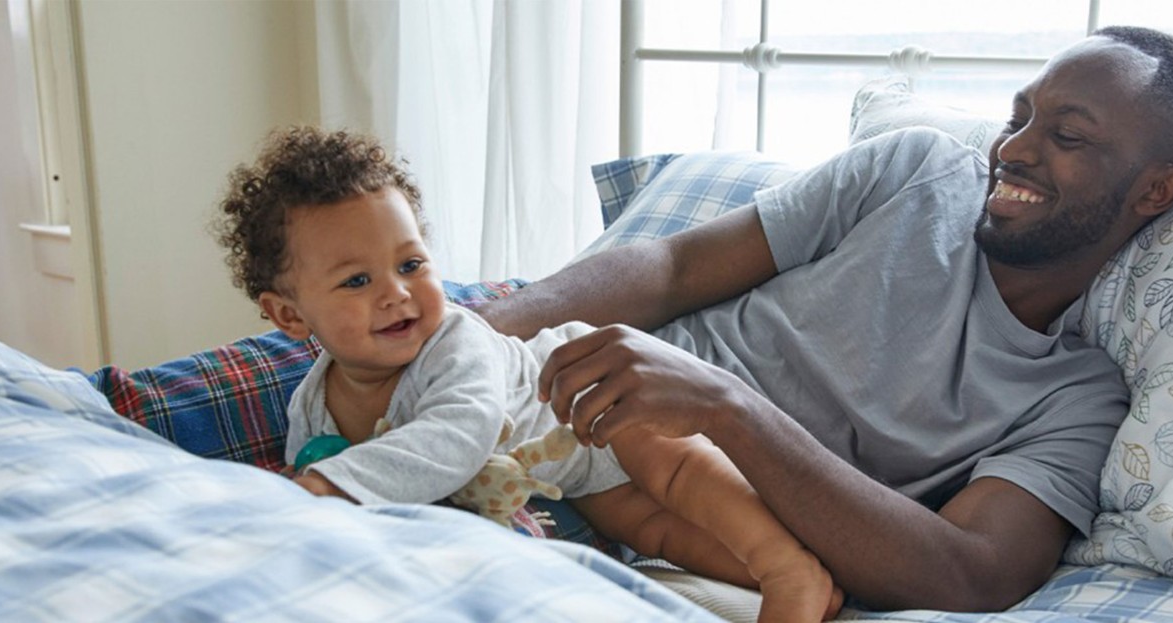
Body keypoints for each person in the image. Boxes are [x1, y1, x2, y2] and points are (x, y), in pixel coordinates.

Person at [477, 26, 1173, 612]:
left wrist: (727, 408)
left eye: (1067, 136)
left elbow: (972, 574)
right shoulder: (916, 170)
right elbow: (677, 267)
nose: (1014, 149)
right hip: (556, 397)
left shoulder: (1077, 398)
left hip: (683, 521)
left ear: (1157, 190)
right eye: (1018, 116)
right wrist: (488, 329)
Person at [211, 128, 842, 622]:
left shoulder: (456, 340)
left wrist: (326, 485)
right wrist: (304, 499)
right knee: (657, 534)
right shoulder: (313, 402)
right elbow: (312, 488)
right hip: (567, 473)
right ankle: (788, 580)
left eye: (411, 263)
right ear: (289, 315)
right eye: (356, 281)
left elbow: (459, 434)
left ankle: (786, 568)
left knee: (680, 475)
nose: (397, 294)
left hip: (597, 402)